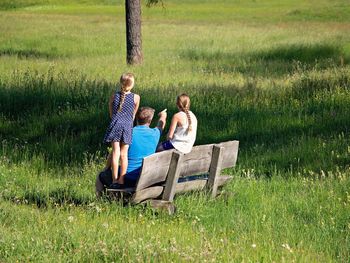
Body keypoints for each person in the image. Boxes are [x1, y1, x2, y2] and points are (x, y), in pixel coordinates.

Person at [96, 107, 167, 196]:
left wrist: (106, 168)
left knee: (100, 175)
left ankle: (101, 200)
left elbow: (116, 152)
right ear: (150, 120)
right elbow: (161, 125)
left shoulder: (129, 133)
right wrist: (163, 116)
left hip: (129, 177)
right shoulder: (155, 133)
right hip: (147, 176)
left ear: (136, 118)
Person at [103, 73, 140, 188]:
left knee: (115, 153)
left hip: (115, 124)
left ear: (121, 83)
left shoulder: (114, 95)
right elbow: (134, 114)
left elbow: (110, 108)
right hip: (128, 125)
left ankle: (114, 180)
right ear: (132, 84)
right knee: (124, 154)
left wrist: (114, 118)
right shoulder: (136, 97)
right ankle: (121, 180)